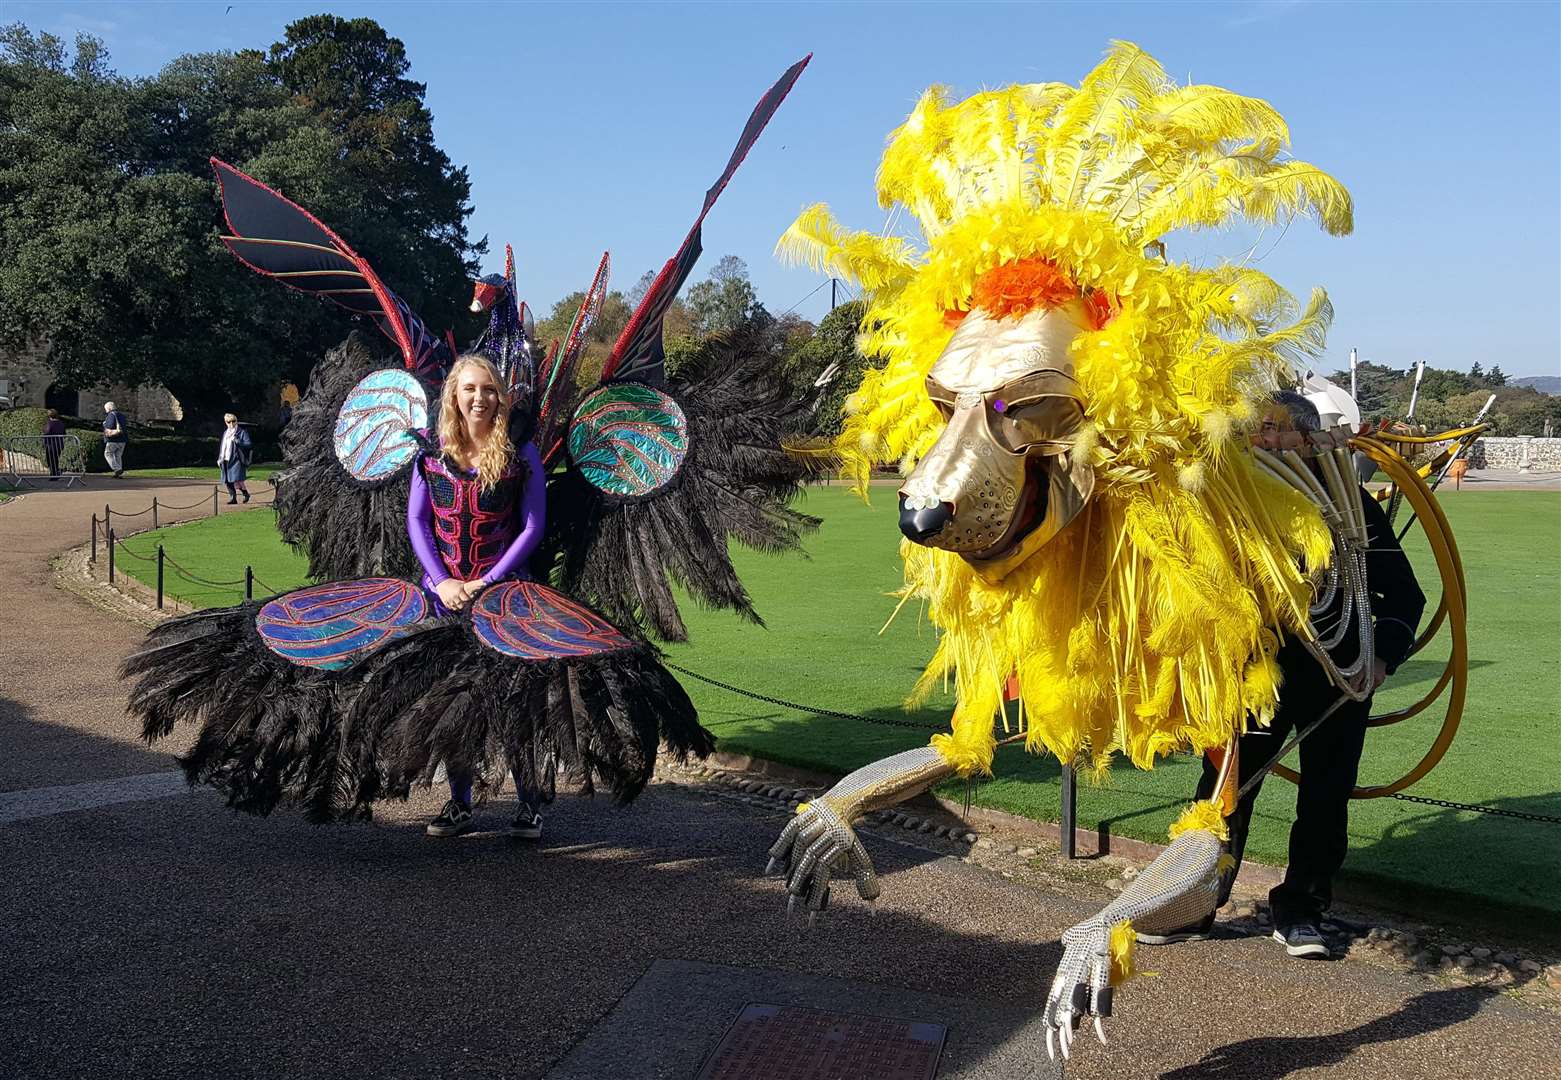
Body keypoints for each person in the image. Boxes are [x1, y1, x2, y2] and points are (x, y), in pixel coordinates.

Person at [1140, 390, 1427, 958]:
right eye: (1253, 432)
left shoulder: (1348, 503)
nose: (1262, 442)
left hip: (1338, 675)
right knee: (1224, 790)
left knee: (1326, 797)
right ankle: (1195, 901)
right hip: (1252, 672)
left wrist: (1378, 659)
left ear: (1307, 437)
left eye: (1274, 431)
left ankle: (1301, 912)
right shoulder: (1232, 503)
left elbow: (1404, 595)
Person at [407, 353, 549, 840]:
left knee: (515, 702)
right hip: (443, 597)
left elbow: (532, 526)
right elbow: (418, 520)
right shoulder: (431, 450)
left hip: (505, 598)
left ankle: (530, 804)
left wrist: (487, 583)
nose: (480, 398)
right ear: (454, 394)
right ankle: (459, 803)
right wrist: (442, 582)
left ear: (501, 396)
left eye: (489, 389)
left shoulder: (518, 450)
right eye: (470, 388)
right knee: (452, 702)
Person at [217, 413, 253, 504]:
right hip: (225, 459)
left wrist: (238, 441)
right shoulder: (226, 433)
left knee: (236, 478)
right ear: (226, 422)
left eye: (233, 421)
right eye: (229, 422)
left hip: (236, 459)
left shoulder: (241, 432)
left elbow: (248, 444)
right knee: (227, 479)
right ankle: (233, 498)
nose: (231, 424)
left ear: (236, 421)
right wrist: (220, 458)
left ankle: (245, 493)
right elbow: (223, 446)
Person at [102, 401, 128, 477]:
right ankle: (119, 473)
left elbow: (109, 426)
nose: (105, 410)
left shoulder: (111, 415)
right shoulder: (122, 415)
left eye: (106, 408)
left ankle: (118, 470)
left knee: (108, 454)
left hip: (113, 439)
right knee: (118, 456)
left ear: (109, 408)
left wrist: (104, 424)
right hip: (123, 439)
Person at [42, 408, 66, 480]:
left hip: (51, 444)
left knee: (51, 460)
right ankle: (55, 473)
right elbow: (64, 433)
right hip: (59, 443)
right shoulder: (61, 423)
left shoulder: (50, 423)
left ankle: (54, 474)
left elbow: (47, 432)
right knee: (55, 459)